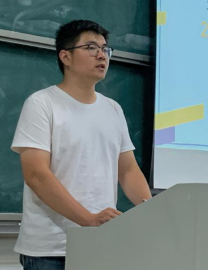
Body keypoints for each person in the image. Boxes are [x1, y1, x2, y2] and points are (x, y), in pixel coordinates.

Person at [11, 20, 151, 271]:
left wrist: (153, 213)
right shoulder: (42, 103)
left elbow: (128, 171)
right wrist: (87, 220)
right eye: (91, 47)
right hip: (51, 249)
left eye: (105, 49)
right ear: (65, 56)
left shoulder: (113, 109)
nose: (102, 55)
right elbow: (36, 174)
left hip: (100, 243)